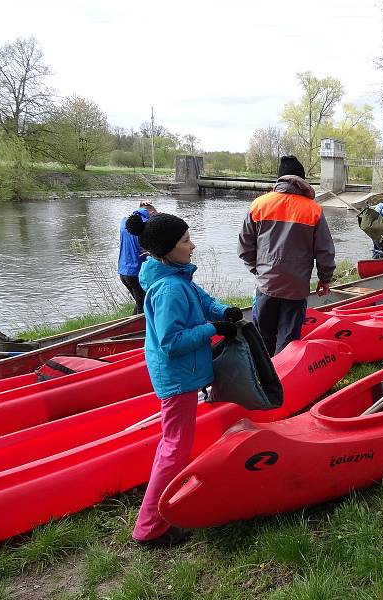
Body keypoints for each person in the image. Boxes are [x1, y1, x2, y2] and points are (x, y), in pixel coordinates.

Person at [125, 211, 242, 549]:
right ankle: (149, 529)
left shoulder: (175, 276)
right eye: (185, 241)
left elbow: (202, 300)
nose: (192, 245)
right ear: (167, 248)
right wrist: (213, 329)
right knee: (173, 449)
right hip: (178, 378)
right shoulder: (169, 290)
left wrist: (223, 312)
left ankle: (160, 510)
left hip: (181, 375)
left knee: (173, 446)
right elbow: (171, 342)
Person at [238, 155, 336, 356]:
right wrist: (325, 279)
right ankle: (284, 377)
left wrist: (258, 270)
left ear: (279, 179)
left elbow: (244, 247)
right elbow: (325, 251)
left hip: (267, 284)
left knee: (263, 334)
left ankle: (263, 376)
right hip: (296, 288)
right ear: (302, 180)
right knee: (289, 337)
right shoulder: (314, 210)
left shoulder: (259, 205)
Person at [118, 201, 157, 314]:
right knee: (144, 307)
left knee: (141, 302)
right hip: (136, 272)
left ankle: (129, 326)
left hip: (123, 272)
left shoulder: (124, 221)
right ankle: (138, 330)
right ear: (152, 212)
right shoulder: (147, 225)